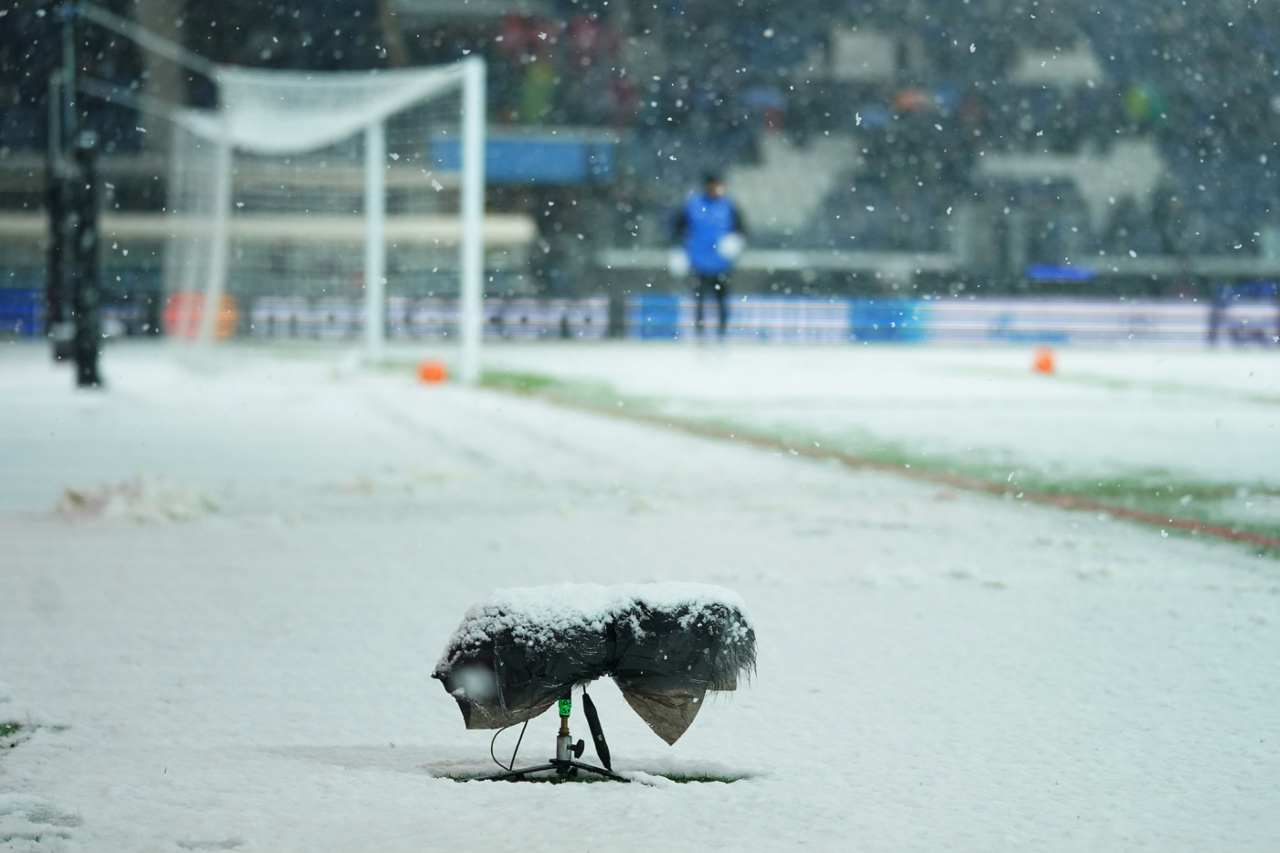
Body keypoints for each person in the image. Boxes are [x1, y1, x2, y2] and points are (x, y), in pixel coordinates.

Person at [672, 172, 747, 338]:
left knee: (721, 301)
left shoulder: (729, 206)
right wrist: (679, 250)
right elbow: (677, 228)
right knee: (699, 300)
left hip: (721, 263)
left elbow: (741, 230)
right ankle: (700, 334)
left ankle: (722, 333)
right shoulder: (693, 205)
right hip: (698, 262)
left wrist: (734, 242)